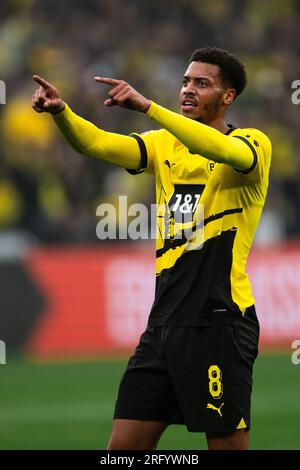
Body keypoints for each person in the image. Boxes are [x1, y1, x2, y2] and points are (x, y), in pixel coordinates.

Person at [32, 47, 272, 450]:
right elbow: (99, 145)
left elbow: (220, 150)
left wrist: (148, 107)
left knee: (226, 444)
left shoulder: (252, 144)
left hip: (219, 323)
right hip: (162, 325)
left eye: (201, 83)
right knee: (122, 450)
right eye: (184, 82)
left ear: (227, 97)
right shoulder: (164, 145)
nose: (188, 90)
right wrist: (61, 113)